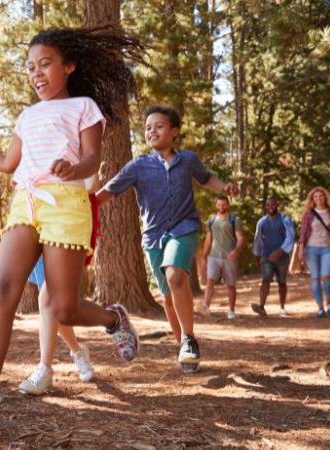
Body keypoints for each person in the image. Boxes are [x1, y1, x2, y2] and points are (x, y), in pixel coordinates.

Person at [0, 26, 146, 432]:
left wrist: (73, 169)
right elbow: (11, 162)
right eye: (30, 67)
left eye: (45, 64)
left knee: (63, 307)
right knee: (3, 291)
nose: (36, 73)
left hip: (66, 205)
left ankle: (112, 319)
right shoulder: (27, 115)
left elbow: (92, 160)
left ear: (68, 66)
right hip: (26, 202)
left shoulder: (85, 107)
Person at [97, 104, 240, 375]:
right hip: (153, 238)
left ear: (174, 131)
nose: (152, 130)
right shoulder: (139, 164)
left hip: (184, 229)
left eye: (159, 126)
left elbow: (206, 178)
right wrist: (87, 205)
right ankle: (184, 348)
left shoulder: (188, 159)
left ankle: (188, 338)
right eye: (148, 127)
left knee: (176, 276)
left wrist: (225, 188)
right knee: (168, 299)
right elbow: (111, 189)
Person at [18, 175, 100, 395]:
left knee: (47, 298)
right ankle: (78, 352)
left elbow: (91, 184)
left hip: (67, 226)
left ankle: (44, 370)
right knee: (55, 306)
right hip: (37, 224)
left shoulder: (78, 145)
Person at [197, 195, 244, 319]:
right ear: (216, 205)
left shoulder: (235, 220)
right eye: (219, 205)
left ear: (228, 204)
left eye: (223, 205)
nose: (221, 207)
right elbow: (208, 241)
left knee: (230, 285)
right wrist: (204, 258)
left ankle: (231, 311)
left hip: (229, 257)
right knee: (210, 281)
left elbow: (240, 238)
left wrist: (236, 251)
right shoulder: (211, 220)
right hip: (213, 256)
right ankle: (206, 306)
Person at [298, 187, 330, 318]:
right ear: (312, 199)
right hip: (311, 248)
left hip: (328, 248)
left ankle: (329, 302)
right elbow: (303, 233)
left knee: (326, 276)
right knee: (315, 278)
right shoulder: (308, 214)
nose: (318, 199)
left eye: (320, 196)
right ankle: (320, 308)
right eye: (315, 197)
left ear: (325, 197)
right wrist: (301, 249)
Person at [251, 197, 295, 317]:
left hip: (282, 256)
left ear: (277, 205)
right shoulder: (262, 221)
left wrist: (279, 251)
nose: (270, 207)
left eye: (273, 205)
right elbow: (258, 240)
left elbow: (290, 237)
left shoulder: (285, 219)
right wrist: (257, 258)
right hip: (266, 255)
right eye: (268, 205)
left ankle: (282, 308)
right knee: (265, 280)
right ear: (266, 207)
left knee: (282, 281)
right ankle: (261, 307)